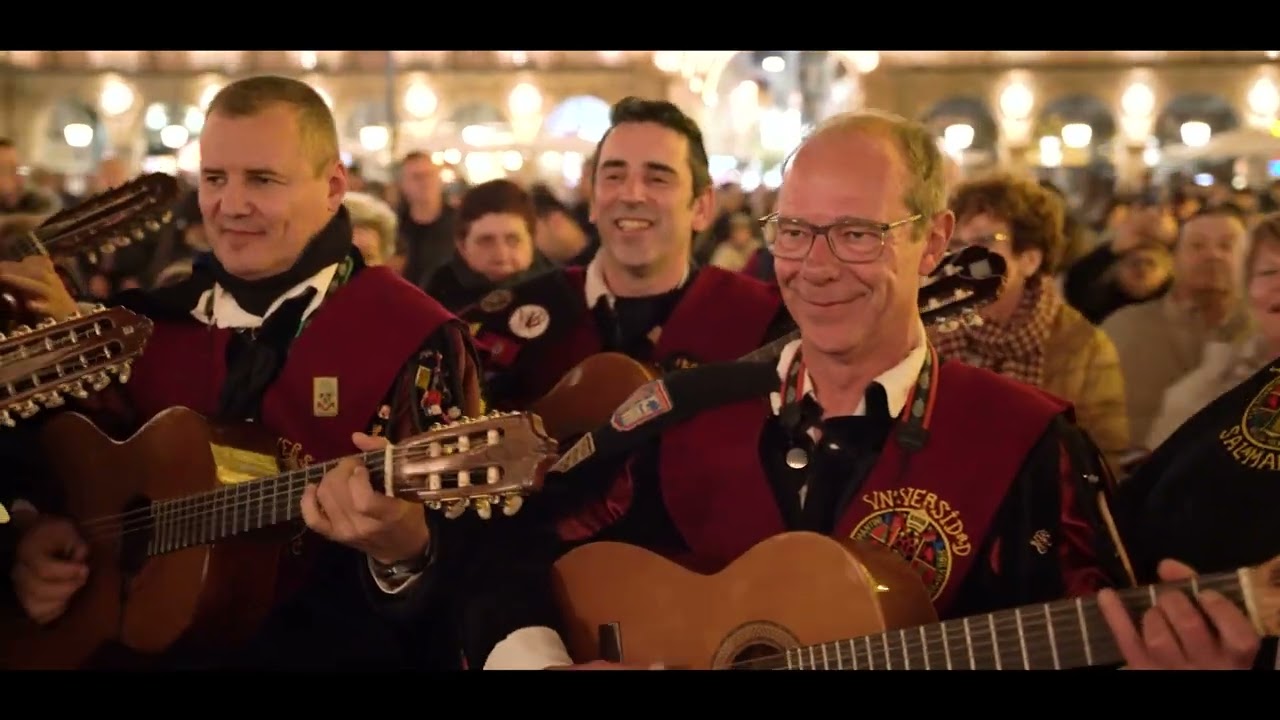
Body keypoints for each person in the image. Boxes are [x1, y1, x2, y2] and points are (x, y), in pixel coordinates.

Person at [407, 108, 1262, 670]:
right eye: (795, 233)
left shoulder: (1025, 445)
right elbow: (505, 553)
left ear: (932, 243)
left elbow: (1096, 634)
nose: (815, 268)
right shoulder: (688, 411)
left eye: (857, 233)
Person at [0, 75, 486, 670]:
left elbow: (473, 569)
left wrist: (404, 550)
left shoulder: (414, 336)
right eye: (214, 179)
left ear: (334, 186)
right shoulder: (145, 325)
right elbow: (50, 476)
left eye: (262, 179)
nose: (230, 206)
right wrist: (25, 541)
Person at [460, 97, 794, 412]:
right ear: (593, 200)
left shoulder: (762, 326)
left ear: (702, 207)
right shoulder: (501, 327)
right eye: (614, 176)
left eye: (657, 178)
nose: (632, 194)